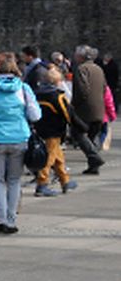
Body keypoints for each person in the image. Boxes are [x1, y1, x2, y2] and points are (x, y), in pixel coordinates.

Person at [0, 56, 40, 235]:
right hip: (19, 138)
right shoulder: (24, 89)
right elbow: (35, 115)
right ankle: (11, 221)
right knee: (14, 180)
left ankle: (0, 219)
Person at [32, 65, 82, 197]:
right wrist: (81, 127)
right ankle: (42, 184)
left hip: (40, 128)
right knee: (48, 158)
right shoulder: (57, 96)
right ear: (57, 82)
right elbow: (68, 114)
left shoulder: (37, 94)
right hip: (54, 130)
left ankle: (65, 180)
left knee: (58, 156)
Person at [71, 45, 106, 173]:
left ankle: (95, 158)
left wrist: (73, 104)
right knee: (92, 135)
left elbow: (82, 90)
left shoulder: (81, 69)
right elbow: (104, 87)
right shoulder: (98, 68)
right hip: (98, 107)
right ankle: (93, 165)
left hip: (85, 109)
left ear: (80, 56)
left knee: (78, 133)